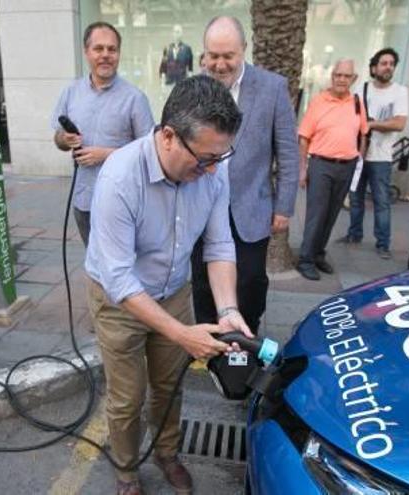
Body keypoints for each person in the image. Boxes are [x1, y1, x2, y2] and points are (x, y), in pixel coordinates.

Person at [85, 75, 251, 495]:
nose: (213, 169)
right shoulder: (119, 177)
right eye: (205, 159)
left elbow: (218, 245)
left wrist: (228, 312)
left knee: (168, 387)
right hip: (118, 302)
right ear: (169, 136)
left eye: (221, 156)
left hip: (174, 291)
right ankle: (126, 472)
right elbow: (119, 279)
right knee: (126, 400)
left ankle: (167, 453)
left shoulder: (214, 163)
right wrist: (182, 335)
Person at [191, 16, 299, 333]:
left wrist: (284, 206)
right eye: (213, 55)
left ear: (244, 50)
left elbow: (288, 151)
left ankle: (247, 333)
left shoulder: (272, 87)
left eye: (228, 56)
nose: (220, 64)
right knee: (200, 277)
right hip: (201, 203)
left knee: (250, 279)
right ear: (204, 53)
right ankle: (209, 340)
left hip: (251, 206)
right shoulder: (195, 88)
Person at [51, 22, 155, 246]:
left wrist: (106, 154)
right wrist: (64, 139)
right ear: (86, 52)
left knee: (122, 268)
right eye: (99, 49)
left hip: (122, 203)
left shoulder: (135, 98)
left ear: (119, 54)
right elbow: (58, 139)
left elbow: (150, 151)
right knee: (94, 264)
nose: (105, 55)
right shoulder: (71, 92)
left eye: (112, 49)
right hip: (84, 201)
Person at [296, 60, 369, 281]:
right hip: (321, 165)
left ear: (353, 79)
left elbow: (364, 133)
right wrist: (303, 169)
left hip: (346, 166)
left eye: (346, 76)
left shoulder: (357, 102)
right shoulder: (319, 101)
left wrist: (359, 160)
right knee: (316, 215)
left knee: (332, 214)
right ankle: (305, 259)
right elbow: (303, 137)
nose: (341, 79)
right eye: (338, 75)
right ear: (332, 76)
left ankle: (318, 254)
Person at [342, 48, 408, 260]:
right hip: (359, 153)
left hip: (382, 156)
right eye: (383, 63)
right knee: (356, 197)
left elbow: (399, 123)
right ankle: (354, 234)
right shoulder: (362, 89)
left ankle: (383, 243)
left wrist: (371, 124)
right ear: (374, 67)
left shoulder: (399, 91)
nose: (388, 67)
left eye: (391, 63)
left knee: (381, 201)